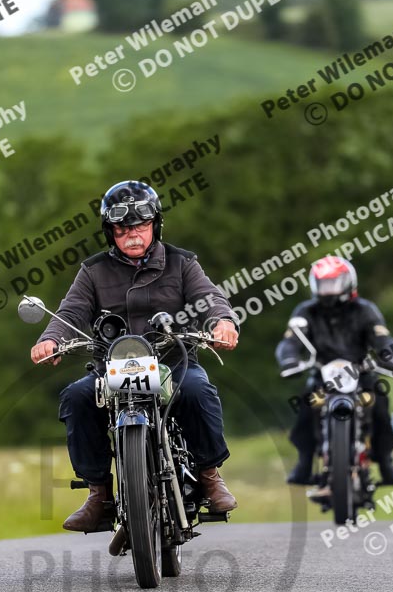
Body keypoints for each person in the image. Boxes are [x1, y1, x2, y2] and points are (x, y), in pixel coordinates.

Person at [30, 180, 240, 532]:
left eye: (140, 226)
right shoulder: (93, 271)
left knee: (199, 391)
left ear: (155, 225)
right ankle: (99, 495)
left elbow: (210, 297)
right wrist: (51, 338)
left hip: (172, 362)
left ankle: (208, 475)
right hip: (112, 366)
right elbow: (71, 312)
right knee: (78, 397)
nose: (133, 235)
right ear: (110, 231)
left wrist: (223, 322)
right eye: (123, 228)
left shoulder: (182, 263)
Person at [276, 255, 393, 485]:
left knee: (380, 405)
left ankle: (385, 461)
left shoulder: (365, 310)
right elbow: (290, 341)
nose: (327, 290)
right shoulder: (306, 311)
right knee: (305, 405)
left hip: (360, 375)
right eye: (322, 284)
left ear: (347, 282)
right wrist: (289, 360)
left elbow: (383, 341)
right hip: (322, 375)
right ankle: (304, 460)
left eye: (332, 283)